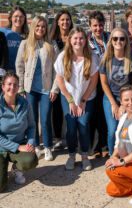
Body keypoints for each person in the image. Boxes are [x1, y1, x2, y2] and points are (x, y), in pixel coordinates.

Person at [54, 26, 98, 171]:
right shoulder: (63, 56)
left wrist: (83, 100)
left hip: (87, 98)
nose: (78, 41)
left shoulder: (92, 57)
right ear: (70, 40)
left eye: (81, 38)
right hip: (69, 98)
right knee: (71, 128)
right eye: (75, 38)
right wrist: (71, 100)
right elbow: (59, 80)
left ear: (85, 40)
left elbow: (94, 80)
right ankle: (72, 155)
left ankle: (84, 156)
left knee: (83, 126)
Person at [16, 16, 58, 161]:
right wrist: (20, 89)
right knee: (32, 120)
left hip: (46, 89)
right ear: (33, 27)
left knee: (45, 118)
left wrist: (55, 89)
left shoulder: (51, 44)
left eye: (43, 26)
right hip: (30, 89)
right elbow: (19, 67)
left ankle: (47, 147)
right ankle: (36, 146)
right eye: (38, 26)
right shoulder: (25, 44)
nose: (40, 29)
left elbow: (57, 70)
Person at [0, 72, 38, 192]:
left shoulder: (25, 103)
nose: (12, 87)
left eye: (15, 84)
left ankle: (16, 169)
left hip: (19, 144)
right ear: (3, 86)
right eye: (9, 84)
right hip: (1, 148)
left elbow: (32, 126)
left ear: (18, 87)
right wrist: (17, 147)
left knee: (30, 160)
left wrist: (30, 143)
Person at [99, 27, 132, 155]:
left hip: (127, 99)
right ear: (111, 41)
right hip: (110, 98)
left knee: (125, 129)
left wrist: (124, 104)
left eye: (122, 38)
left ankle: (125, 155)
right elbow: (104, 83)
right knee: (113, 129)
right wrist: (114, 104)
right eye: (115, 38)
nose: (118, 41)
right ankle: (112, 156)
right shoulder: (105, 60)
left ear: (126, 41)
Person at [49, 9, 74, 149]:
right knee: (56, 109)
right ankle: (57, 137)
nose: (65, 22)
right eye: (62, 19)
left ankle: (70, 137)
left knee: (70, 109)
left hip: (70, 81)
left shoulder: (73, 37)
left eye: (67, 19)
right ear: (57, 22)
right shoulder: (52, 39)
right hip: (55, 80)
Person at [87, 11, 109, 157]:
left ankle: (104, 145)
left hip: (107, 81)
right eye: (95, 25)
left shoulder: (110, 38)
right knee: (93, 116)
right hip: (92, 81)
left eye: (100, 25)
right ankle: (93, 147)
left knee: (104, 116)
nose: (98, 28)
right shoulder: (87, 41)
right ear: (90, 26)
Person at [0, 6, 29, 72]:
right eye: (16, 16)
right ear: (10, 18)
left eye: (21, 16)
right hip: (3, 73)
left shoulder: (28, 37)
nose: (18, 19)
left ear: (24, 19)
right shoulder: (2, 32)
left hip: (20, 73)